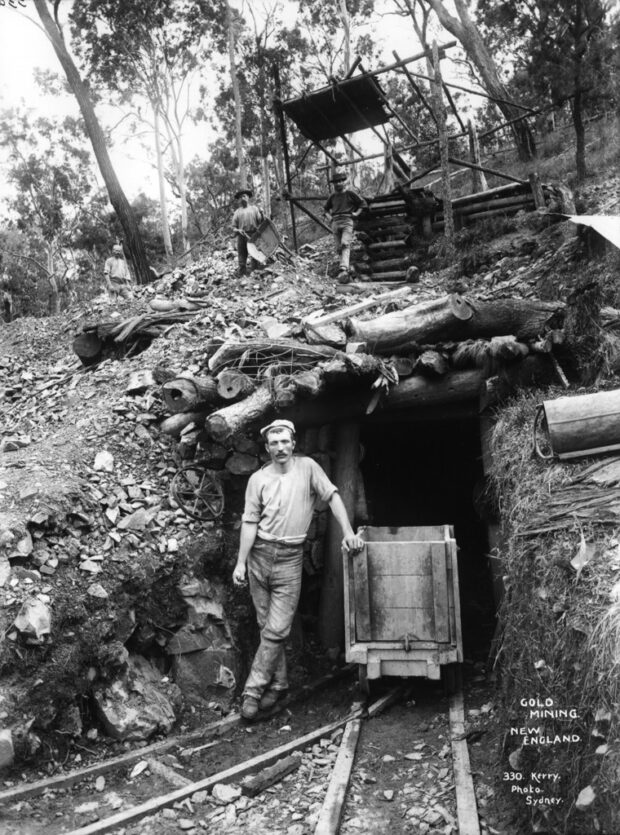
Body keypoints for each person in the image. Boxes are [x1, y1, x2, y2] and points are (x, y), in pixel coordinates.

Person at [232, 419, 364, 720]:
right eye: (274, 443)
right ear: (267, 448)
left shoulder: (308, 468)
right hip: (259, 556)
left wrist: (347, 532)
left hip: (290, 558)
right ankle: (278, 685)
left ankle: (253, 690)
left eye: (284, 442)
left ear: (293, 443)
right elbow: (250, 523)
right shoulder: (258, 480)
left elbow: (332, 496)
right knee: (268, 628)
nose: (280, 448)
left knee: (277, 629)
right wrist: (241, 562)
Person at [323, 172, 367, 283]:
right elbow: (325, 209)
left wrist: (356, 214)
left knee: (345, 243)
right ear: (333, 184)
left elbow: (363, 204)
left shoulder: (350, 193)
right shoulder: (332, 196)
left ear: (344, 182)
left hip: (347, 220)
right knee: (338, 247)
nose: (338, 184)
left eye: (340, 181)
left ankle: (344, 267)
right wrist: (330, 218)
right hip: (335, 222)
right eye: (336, 182)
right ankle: (346, 267)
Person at [231, 188, 264, 277]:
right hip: (242, 236)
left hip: (253, 235)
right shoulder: (237, 212)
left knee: (255, 255)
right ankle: (241, 275)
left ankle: (255, 274)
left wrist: (262, 213)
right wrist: (238, 230)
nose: (242, 198)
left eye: (244, 196)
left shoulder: (254, 209)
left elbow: (261, 221)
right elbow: (233, 228)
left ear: (248, 197)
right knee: (242, 255)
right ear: (239, 200)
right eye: (240, 197)